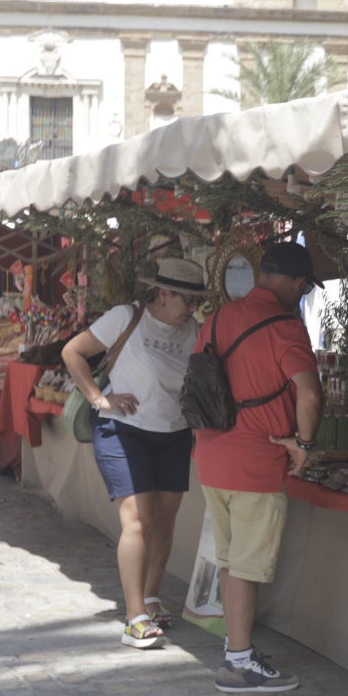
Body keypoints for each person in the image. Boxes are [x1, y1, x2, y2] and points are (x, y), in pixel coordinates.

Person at [193, 242, 321, 692]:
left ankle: (236, 650)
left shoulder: (217, 318)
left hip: (212, 456)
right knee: (245, 564)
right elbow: (308, 392)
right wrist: (304, 444)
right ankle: (239, 664)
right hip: (256, 461)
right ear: (298, 284)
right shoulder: (286, 327)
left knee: (231, 560)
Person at [63, 258, 205, 650]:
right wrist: (98, 398)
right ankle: (135, 617)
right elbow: (73, 352)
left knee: (164, 521)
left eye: (197, 301)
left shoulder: (194, 330)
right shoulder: (127, 317)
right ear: (162, 292)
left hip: (174, 433)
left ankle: (153, 598)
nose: (191, 308)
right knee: (138, 521)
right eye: (186, 299)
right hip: (124, 431)